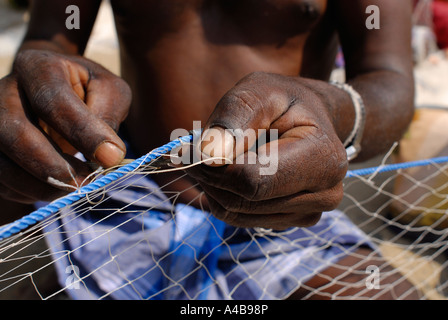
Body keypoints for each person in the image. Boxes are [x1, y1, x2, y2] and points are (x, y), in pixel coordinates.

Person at [0, 0, 420, 299]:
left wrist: (335, 109)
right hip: (119, 194)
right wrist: (41, 77)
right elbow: (49, 39)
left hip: (283, 213)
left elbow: (390, 79)